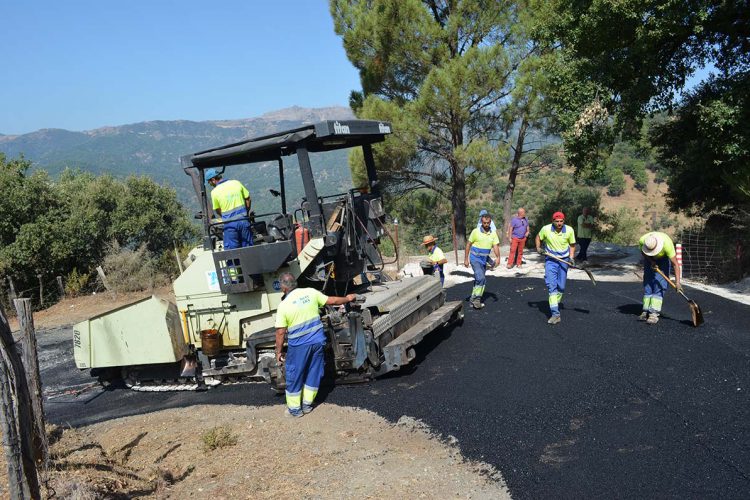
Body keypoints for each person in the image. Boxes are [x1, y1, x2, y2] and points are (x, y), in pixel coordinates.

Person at [274, 273, 356, 417]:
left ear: (283, 287)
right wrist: (348, 298)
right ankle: (307, 405)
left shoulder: (284, 305)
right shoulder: (310, 292)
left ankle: (295, 410)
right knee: (314, 372)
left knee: (295, 374)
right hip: (318, 342)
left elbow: (280, 332)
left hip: (299, 346)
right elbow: (332, 300)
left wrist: (278, 352)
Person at [535, 211, 576, 325]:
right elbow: (538, 237)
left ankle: (554, 303)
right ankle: (555, 314)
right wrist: (538, 247)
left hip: (564, 261)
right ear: (552, 221)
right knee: (551, 286)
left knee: (561, 287)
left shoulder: (569, 230)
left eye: (561, 221)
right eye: (556, 221)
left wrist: (571, 258)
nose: (559, 223)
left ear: (564, 221)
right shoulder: (546, 229)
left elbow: (572, 245)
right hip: (551, 260)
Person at [639, 231, 681, 325]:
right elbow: (643, 252)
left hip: (663, 259)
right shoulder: (643, 240)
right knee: (648, 282)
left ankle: (654, 313)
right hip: (649, 259)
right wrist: (651, 261)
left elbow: (675, 264)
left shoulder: (667, 245)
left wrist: (678, 283)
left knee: (660, 283)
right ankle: (645, 310)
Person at [205, 168, 253, 249]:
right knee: (248, 248)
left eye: (209, 182)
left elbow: (217, 210)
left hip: (230, 225)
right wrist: (246, 213)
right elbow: (248, 199)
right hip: (243, 221)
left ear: (213, 179)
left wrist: (225, 216)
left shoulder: (214, 192)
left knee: (232, 251)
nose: (210, 184)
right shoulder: (236, 183)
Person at [464, 212, 501, 309]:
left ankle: (473, 297)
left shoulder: (493, 234)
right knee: (481, 278)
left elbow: (495, 246)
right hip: (474, 258)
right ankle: (477, 299)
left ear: (490, 222)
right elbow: (468, 244)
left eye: (488, 223)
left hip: (484, 260)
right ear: (481, 222)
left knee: (479, 279)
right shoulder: (475, 232)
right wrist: (466, 259)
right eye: (484, 223)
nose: (486, 225)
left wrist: (498, 257)